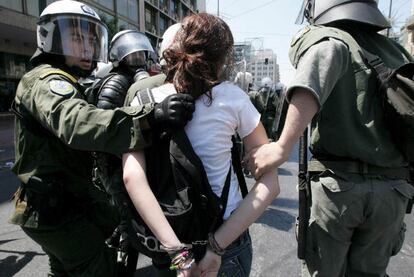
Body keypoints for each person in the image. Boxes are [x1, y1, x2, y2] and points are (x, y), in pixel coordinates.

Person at [7, 1, 194, 276]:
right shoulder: (47, 81)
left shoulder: (65, 79)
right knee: (102, 269)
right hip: (56, 212)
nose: (85, 47)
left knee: (64, 270)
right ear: (49, 37)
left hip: (59, 204)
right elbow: (76, 122)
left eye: (91, 39)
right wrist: (147, 117)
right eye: (76, 38)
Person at [246, 1, 414, 276]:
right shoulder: (396, 50)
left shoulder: (331, 39)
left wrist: (281, 147)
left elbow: (319, 65)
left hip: (341, 189)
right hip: (393, 191)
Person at [122, 13, 280, 277]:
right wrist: (216, 248)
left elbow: (132, 178)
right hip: (225, 243)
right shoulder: (233, 98)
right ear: (222, 58)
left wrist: (178, 254)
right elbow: (270, 185)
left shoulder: (143, 98)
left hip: (169, 244)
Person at [91, 29, 156, 274]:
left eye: (141, 52)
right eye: (133, 52)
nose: (137, 57)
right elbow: (104, 126)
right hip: (114, 164)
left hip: (132, 159)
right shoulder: (117, 81)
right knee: (127, 221)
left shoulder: (141, 79)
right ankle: (121, 269)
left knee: (133, 218)